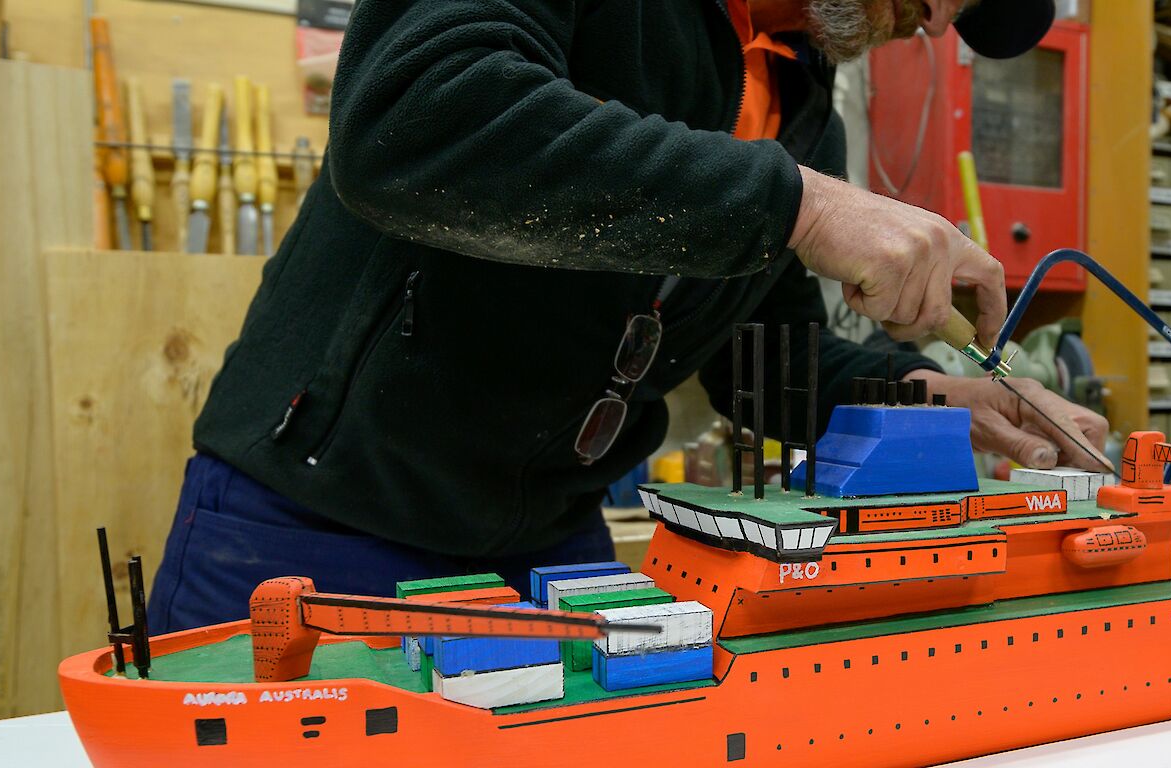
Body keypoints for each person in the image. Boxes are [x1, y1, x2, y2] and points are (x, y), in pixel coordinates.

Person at [147, 0, 1104, 633]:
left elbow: (757, 365)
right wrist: (803, 207)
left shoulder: (800, 101)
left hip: (552, 548)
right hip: (320, 520)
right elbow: (416, 117)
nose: (936, 16)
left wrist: (940, 400)